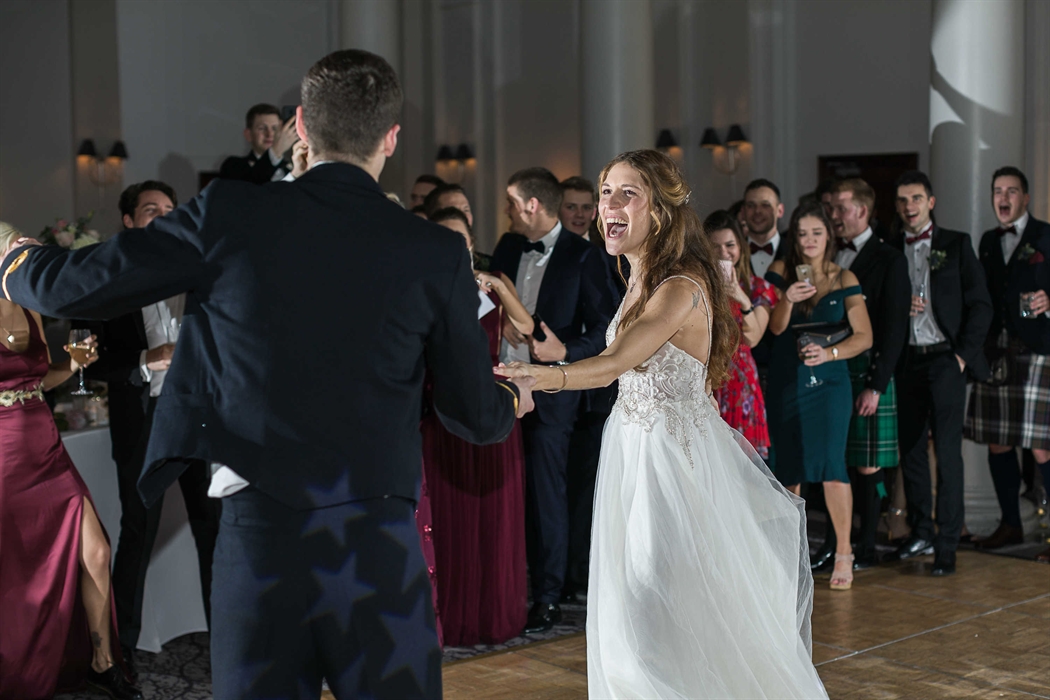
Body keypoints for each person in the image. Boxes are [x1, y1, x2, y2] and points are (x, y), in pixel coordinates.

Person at [1, 49, 535, 699]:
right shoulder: (433, 250)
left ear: (301, 125)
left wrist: (12, 258)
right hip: (375, 543)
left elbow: (71, 285)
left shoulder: (230, 213)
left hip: (260, 540)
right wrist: (511, 393)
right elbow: (473, 415)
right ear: (392, 138)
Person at [496, 150, 827, 698]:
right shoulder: (635, 277)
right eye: (606, 192)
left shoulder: (679, 286)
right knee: (631, 598)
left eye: (627, 193)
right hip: (631, 446)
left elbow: (614, 363)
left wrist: (540, 377)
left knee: (658, 596)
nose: (609, 205)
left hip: (671, 459)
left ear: (660, 211)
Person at [76, 181, 219, 677]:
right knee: (137, 533)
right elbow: (89, 361)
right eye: (150, 209)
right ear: (129, 221)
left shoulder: (197, 269)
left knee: (214, 529)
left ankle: (228, 640)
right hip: (143, 422)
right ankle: (117, 654)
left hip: (196, 416)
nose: (162, 215)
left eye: (169, 209)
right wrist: (145, 357)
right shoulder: (109, 277)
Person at [0, 224, 142, 699]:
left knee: (96, 551)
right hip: (3, 453)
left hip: (43, 443)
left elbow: (38, 379)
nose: (25, 258)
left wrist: (75, 364)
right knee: (14, 573)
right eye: (17, 250)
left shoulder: (29, 303)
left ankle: (104, 663)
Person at [491, 166, 618, 634]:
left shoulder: (585, 256)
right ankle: (507, 585)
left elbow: (607, 329)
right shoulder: (508, 246)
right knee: (506, 491)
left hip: (552, 391)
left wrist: (565, 352)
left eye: (511, 203)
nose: (506, 211)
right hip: (501, 384)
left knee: (548, 493)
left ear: (531, 205)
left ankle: (547, 596)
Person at [419, 207, 531, 644]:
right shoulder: (422, 288)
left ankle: (492, 613)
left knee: (493, 522)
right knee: (449, 522)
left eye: (459, 239)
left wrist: (498, 285)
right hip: (442, 414)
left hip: (495, 406)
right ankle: (451, 616)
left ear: (470, 243)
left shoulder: (492, 284)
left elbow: (526, 327)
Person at [884, 170, 992, 577]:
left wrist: (963, 356)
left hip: (946, 360)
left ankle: (947, 545)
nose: (908, 206)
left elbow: (981, 305)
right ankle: (921, 533)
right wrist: (899, 307)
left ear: (930, 202)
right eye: (902, 200)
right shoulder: (891, 249)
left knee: (947, 455)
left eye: (916, 198)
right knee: (911, 451)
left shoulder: (956, 244)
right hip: (907, 361)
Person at [766, 202, 873, 591]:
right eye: (802, 234)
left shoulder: (844, 277)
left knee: (831, 464)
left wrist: (830, 353)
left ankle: (844, 551)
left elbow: (865, 336)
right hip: (787, 381)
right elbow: (774, 329)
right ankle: (790, 554)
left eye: (817, 233)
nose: (810, 240)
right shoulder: (781, 271)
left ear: (829, 236)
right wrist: (788, 298)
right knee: (788, 465)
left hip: (830, 383)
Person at [965, 166, 1050, 561]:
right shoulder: (987, 240)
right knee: (998, 441)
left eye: (1011, 191)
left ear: (1025, 198)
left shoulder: (1045, 235)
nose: (1003, 197)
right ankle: (1010, 523)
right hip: (994, 351)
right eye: (998, 190)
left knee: (1042, 447)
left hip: (1036, 349)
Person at [825, 179, 910, 570]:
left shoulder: (889, 258)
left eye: (841, 208)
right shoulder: (827, 251)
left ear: (862, 210)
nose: (834, 215)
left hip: (868, 368)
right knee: (835, 459)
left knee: (868, 462)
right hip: (832, 366)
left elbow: (894, 329)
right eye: (832, 208)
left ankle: (868, 545)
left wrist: (876, 386)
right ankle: (835, 542)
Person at [704, 209, 776, 460]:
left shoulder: (758, 288)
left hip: (741, 383)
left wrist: (741, 298)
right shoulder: (694, 286)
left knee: (745, 466)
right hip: (706, 379)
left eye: (730, 245)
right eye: (715, 246)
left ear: (741, 248)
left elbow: (753, 338)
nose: (723, 253)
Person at [218, 103, 299, 183]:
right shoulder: (234, 166)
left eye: (275, 128)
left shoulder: (294, 167)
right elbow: (250, 186)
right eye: (262, 128)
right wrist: (276, 151)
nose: (269, 134)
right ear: (248, 135)